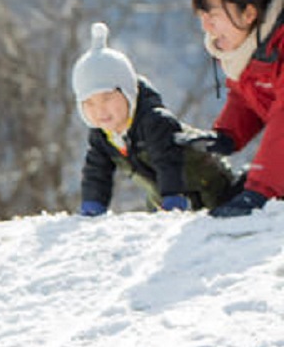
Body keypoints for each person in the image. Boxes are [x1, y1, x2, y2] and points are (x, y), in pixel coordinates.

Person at [71, 21, 242, 217]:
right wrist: (93, 204)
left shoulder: (154, 121)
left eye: (107, 98)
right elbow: (96, 171)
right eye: (89, 103)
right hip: (163, 196)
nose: (100, 110)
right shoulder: (103, 135)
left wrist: (172, 197)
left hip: (209, 187)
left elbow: (167, 162)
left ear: (128, 93)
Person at [176, 0, 284, 217]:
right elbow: (248, 95)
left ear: (248, 13)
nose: (206, 26)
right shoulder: (251, 48)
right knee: (226, 198)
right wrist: (226, 135)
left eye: (213, 15)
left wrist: (262, 188)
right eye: (202, 16)